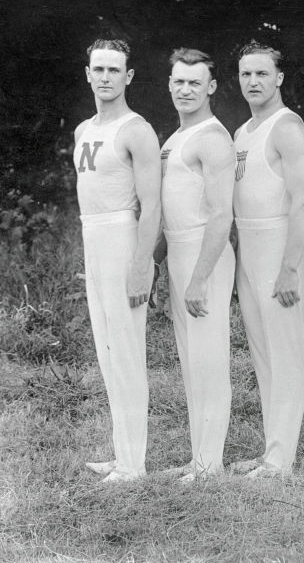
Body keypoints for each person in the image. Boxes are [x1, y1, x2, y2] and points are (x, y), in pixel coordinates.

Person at [75, 39, 161, 483]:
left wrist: (142, 263)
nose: (105, 77)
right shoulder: (83, 130)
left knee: (126, 352)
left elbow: (152, 204)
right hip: (93, 239)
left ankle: (133, 465)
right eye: (99, 69)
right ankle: (121, 453)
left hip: (123, 239)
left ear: (128, 77)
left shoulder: (136, 130)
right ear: (87, 73)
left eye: (114, 70)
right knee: (107, 353)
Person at [231, 42, 304, 478]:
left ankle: (281, 459)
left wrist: (290, 267)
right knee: (263, 355)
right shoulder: (242, 133)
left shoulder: (288, 128)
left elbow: (303, 202)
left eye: (262, 73)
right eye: (246, 74)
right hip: (250, 248)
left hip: (280, 247)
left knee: (285, 354)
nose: (253, 81)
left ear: (279, 78)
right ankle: (271, 450)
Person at [158, 48, 236, 482]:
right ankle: (198, 457)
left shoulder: (212, 138)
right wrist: (158, 263)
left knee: (209, 359)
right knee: (191, 362)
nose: (185, 89)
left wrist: (200, 278)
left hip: (206, 256)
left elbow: (222, 215)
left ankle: (211, 463)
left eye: (195, 82)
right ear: (169, 85)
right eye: (179, 81)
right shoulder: (175, 137)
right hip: (179, 252)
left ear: (211, 87)